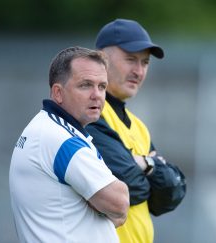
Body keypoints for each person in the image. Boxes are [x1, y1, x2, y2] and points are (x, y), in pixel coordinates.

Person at [9, 46, 129, 243]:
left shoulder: (46, 128)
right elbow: (121, 204)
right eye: (85, 85)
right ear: (58, 93)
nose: (97, 95)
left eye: (102, 86)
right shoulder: (62, 141)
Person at [86, 19, 186, 243]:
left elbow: (168, 197)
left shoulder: (138, 126)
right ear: (101, 58)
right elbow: (128, 188)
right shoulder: (90, 115)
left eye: (145, 62)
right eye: (131, 59)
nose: (139, 71)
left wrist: (146, 165)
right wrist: (153, 171)